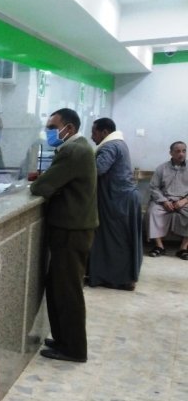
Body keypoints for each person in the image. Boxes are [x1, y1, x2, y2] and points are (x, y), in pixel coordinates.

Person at [30, 108, 98, 363]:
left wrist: (47, 183)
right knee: (58, 286)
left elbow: (41, 186)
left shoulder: (72, 151)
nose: (49, 131)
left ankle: (73, 348)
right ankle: (62, 339)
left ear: (69, 128)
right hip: (73, 227)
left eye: (52, 127)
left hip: (71, 230)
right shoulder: (80, 147)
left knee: (68, 290)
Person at [87, 118, 142, 290]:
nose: (92, 137)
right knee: (121, 239)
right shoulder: (119, 143)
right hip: (124, 197)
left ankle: (120, 279)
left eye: (94, 132)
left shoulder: (109, 146)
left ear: (104, 132)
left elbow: (97, 169)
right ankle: (116, 277)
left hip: (118, 200)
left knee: (116, 240)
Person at [147, 141, 188, 258]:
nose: (181, 154)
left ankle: (183, 248)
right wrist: (164, 201)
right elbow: (154, 187)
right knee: (152, 212)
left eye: (184, 151)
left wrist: (185, 200)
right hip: (164, 201)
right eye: (178, 151)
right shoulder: (162, 168)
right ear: (171, 153)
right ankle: (159, 246)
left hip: (183, 201)